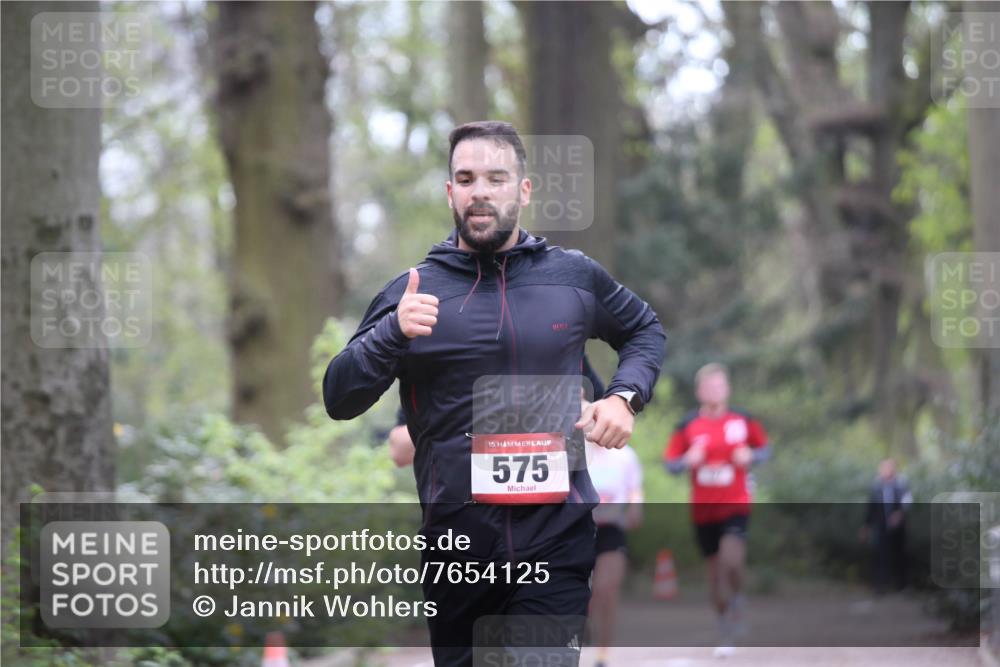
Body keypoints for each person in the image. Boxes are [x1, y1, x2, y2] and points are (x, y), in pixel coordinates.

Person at [324, 120, 666, 667]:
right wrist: (392, 332)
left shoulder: (572, 279)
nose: (480, 191)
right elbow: (339, 396)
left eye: (495, 178)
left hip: (556, 540)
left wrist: (624, 396)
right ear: (450, 191)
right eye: (465, 178)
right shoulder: (414, 290)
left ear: (523, 190)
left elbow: (644, 330)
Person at [662, 363, 770, 654]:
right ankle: (725, 626)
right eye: (709, 387)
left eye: (720, 386)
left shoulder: (743, 419)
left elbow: (764, 450)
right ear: (699, 392)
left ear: (728, 389)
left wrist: (751, 455)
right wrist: (687, 461)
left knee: (730, 560)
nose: (714, 391)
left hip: (736, 504)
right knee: (714, 574)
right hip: (703, 510)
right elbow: (670, 463)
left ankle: (737, 601)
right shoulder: (688, 425)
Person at [584, 394, 642, 667]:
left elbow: (634, 489)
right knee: (591, 595)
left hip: (613, 530)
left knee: (608, 588)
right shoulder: (580, 454)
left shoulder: (625, 455)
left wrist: (635, 507)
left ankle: (604, 650)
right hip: (583, 531)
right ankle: (590, 634)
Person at [861, 458, 912, 594]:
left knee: (900, 554)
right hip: (881, 527)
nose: (886, 470)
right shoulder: (876, 487)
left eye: (889, 467)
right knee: (880, 555)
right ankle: (879, 586)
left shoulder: (901, 485)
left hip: (898, 527)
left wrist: (899, 513)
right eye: (884, 468)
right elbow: (871, 508)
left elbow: (907, 501)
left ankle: (902, 585)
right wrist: (866, 526)